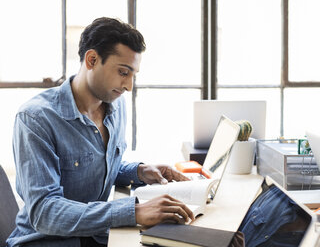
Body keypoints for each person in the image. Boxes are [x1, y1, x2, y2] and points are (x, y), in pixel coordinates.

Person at [6, 17, 194, 247]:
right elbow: (44, 212)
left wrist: (140, 171)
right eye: (123, 72)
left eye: (133, 75)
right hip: (47, 241)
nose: (129, 86)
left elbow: (91, 168)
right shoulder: (36, 118)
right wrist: (133, 211)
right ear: (92, 59)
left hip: (97, 235)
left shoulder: (116, 105)